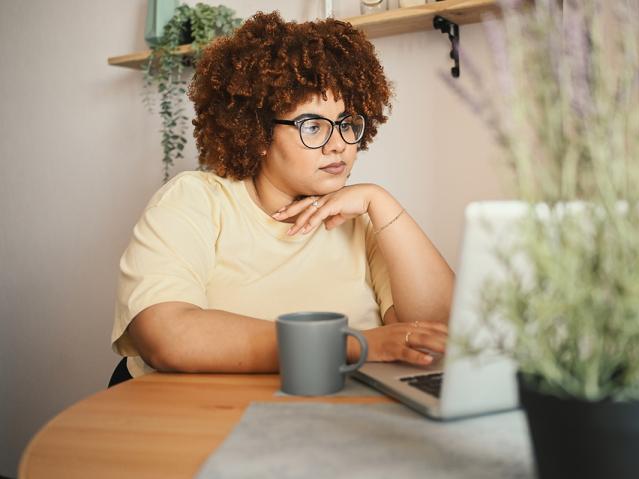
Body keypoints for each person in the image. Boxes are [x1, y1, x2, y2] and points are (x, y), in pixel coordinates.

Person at [110, 11, 454, 380]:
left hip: (335, 417)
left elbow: (434, 334)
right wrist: (355, 344)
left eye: (348, 123)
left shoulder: (363, 221)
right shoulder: (194, 201)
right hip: (204, 421)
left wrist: (382, 202)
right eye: (312, 125)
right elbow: (167, 334)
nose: (338, 145)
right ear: (256, 132)